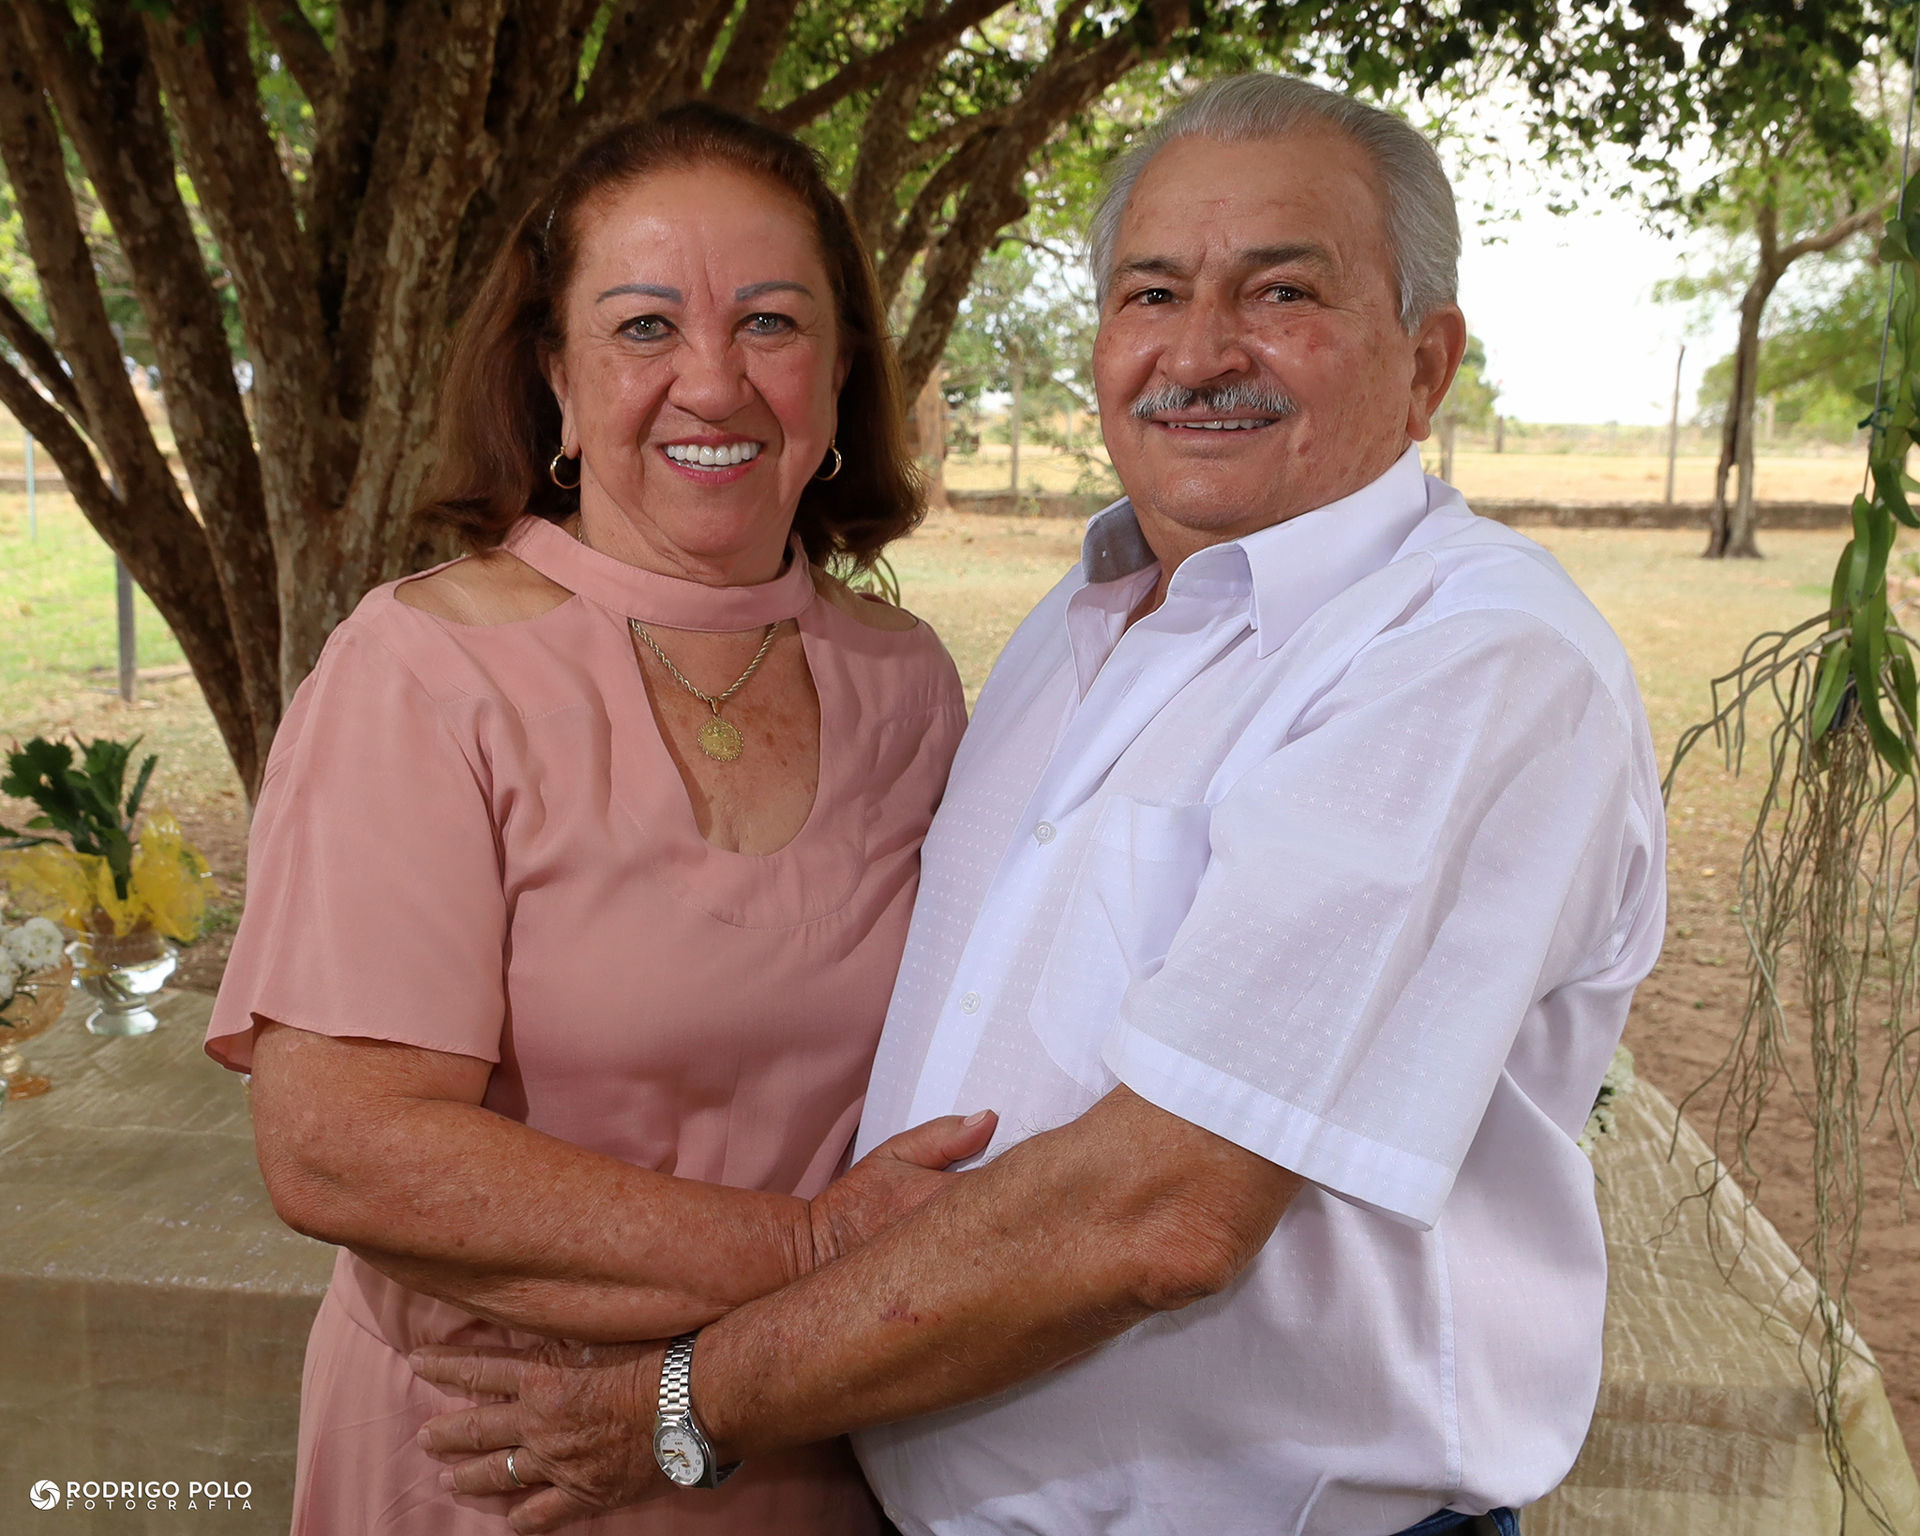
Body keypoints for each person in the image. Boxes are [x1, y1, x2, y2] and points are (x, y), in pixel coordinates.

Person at [413, 73, 1668, 1536]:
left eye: (1281, 292)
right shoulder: (1085, 628)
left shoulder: (1466, 662)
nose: (1199, 352)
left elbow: (1162, 1212)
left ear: (1425, 362)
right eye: (1152, 292)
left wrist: (690, 1404)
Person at [204, 103, 997, 1535]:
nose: (713, 382)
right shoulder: (427, 673)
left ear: (839, 377)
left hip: (809, 1449)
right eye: (643, 328)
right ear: (554, 379)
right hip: (501, 1466)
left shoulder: (908, 686)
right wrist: (817, 1245)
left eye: (770, 323)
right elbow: (338, 1144)